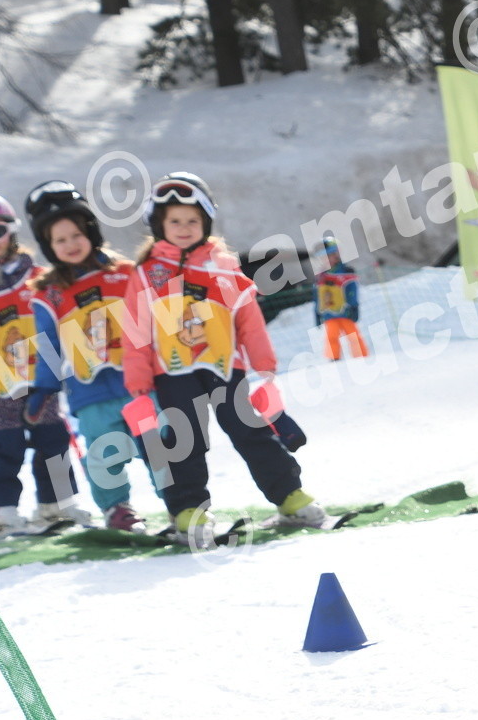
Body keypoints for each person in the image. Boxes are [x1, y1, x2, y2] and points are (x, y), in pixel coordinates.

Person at [122, 172, 327, 547]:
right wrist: (137, 378)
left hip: (224, 366)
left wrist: (263, 361)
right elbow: (135, 329)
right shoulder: (148, 272)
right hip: (172, 372)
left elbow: (248, 317)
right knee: (185, 439)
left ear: (205, 222)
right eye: (175, 221)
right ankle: (189, 511)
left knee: (250, 429)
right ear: (159, 225)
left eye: (192, 220)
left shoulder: (223, 265)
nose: (184, 228)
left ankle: (289, 496)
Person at [0, 193, 91, 533]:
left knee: (52, 436)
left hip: (40, 371)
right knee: (5, 442)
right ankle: (0, 510)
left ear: (11, 231)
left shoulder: (36, 275)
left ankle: (57, 503)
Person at [24, 180, 163, 532]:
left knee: (159, 443)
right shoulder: (49, 295)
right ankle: (117, 508)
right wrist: (43, 388)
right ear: (48, 246)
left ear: (91, 232)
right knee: (103, 452)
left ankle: (180, 499)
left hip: (139, 383)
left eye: (76, 235)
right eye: (60, 240)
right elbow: (48, 345)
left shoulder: (124, 273)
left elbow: (152, 319)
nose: (71, 245)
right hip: (90, 392)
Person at [314, 237, 368, 360]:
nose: (326, 260)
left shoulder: (346, 271)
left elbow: (352, 290)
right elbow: (317, 296)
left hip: (345, 311)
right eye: (323, 257)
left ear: (336, 255)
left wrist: (354, 306)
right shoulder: (321, 276)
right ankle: (334, 358)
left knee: (353, 335)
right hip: (329, 313)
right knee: (331, 336)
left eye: (329, 256)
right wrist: (317, 313)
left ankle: (362, 357)